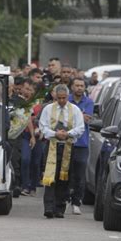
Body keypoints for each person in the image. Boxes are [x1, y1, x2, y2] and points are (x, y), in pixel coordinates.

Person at [39, 84, 84, 219]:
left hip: (68, 146)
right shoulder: (48, 109)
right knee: (50, 177)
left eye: (64, 98)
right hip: (52, 145)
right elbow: (43, 126)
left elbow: (80, 128)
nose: (62, 101)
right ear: (55, 97)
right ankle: (49, 207)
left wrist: (68, 134)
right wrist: (55, 134)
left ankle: (59, 208)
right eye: (59, 98)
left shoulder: (75, 110)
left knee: (64, 177)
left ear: (68, 96)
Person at [68, 78, 94, 215]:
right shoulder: (65, 99)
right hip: (67, 141)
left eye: (82, 86)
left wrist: (73, 116)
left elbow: (87, 119)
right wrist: (79, 116)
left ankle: (76, 202)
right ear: (72, 87)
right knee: (66, 173)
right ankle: (64, 197)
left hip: (82, 143)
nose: (79, 88)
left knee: (80, 174)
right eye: (77, 85)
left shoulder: (89, 102)